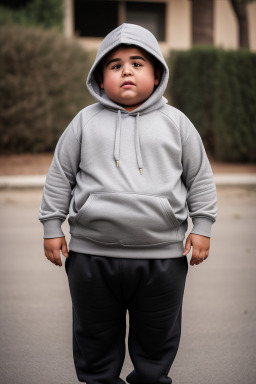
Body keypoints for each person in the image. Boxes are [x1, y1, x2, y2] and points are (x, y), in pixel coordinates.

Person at [39, 23, 217, 384]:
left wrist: (202, 227)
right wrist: (51, 225)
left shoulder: (177, 124)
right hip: (91, 257)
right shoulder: (84, 123)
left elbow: (199, 177)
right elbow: (60, 176)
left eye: (137, 63)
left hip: (162, 258)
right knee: (95, 339)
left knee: (156, 340)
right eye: (115, 65)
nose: (127, 72)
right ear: (100, 79)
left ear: (156, 74)